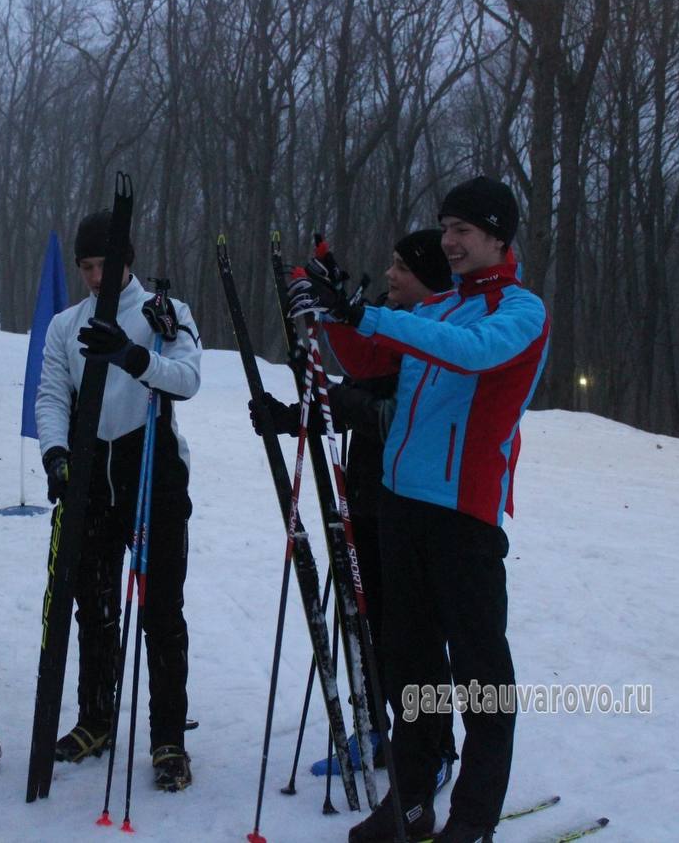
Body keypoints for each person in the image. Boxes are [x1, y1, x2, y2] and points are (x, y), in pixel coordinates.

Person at [288, 178, 549, 843]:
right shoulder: (438, 309)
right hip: (404, 509)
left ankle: (472, 818)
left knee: (481, 676)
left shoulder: (520, 311)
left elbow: (474, 355)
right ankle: (408, 801)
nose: (451, 240)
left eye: (464, 229)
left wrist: (367, 314)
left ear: (499, 237)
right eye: (446, 226)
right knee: (412, 668)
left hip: (464, 517)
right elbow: (370, 354)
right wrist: (331, 308)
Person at [251, 229, 458, 776]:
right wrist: (292, 415)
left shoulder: (433, 337)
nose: (390, 275)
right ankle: (381, 733)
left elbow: (376, 403)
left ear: (430, 281)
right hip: (366, 497)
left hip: (414, 507)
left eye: (402, 269)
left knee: (411, 640)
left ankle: (434, 748)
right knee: (369, 628)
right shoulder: (393, 328)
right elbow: (350, 397)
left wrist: (331, 388)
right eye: (390, 264)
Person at [35, 210, 202, 791]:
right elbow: (52, 392)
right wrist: (56, 454)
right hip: (91, 474)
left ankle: (168, 737)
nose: (95, 275)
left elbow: (187, 379)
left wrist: (133, 355)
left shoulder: (164, 312)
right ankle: (95, 719)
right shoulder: (65, 324)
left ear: (126, 260)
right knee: (95, 607)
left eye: (105, 263)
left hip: (151, 469)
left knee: (159, 610)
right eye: (86, 266)